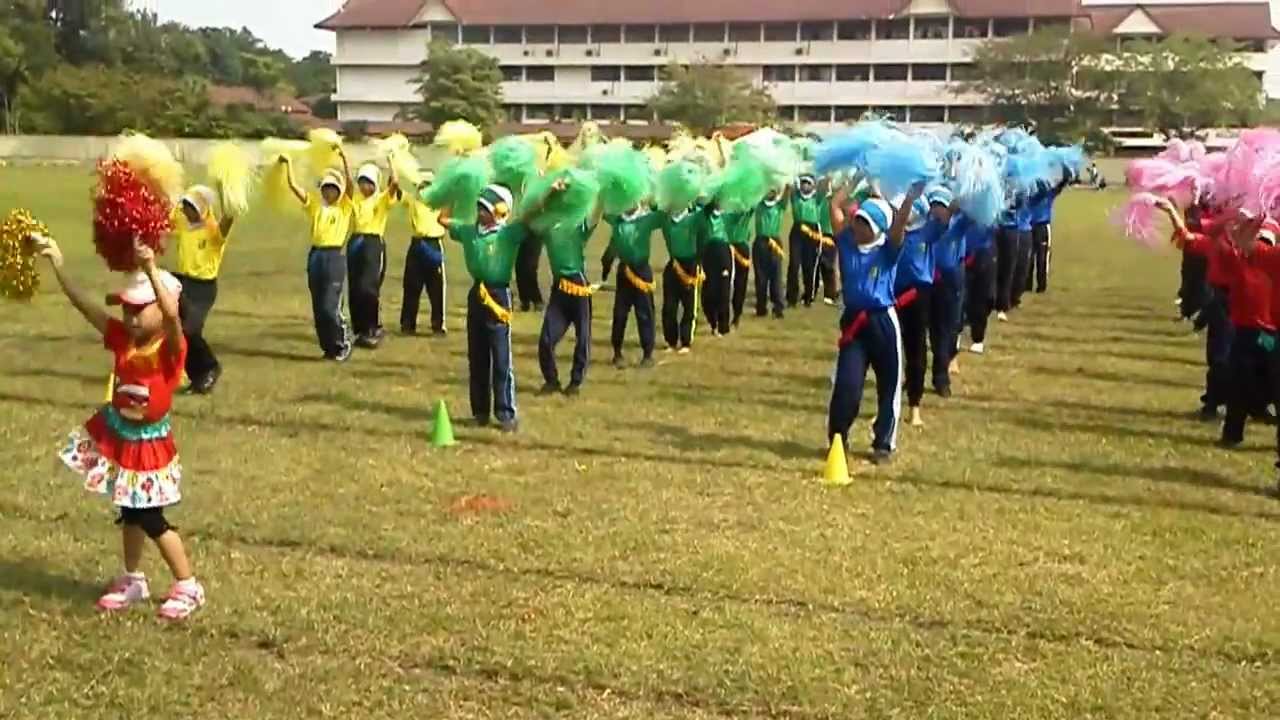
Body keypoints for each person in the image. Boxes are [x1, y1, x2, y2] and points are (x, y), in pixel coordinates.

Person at [34, 234, 205, 621]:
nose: (129, 317)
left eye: (138, 309)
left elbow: (173, 317)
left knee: (150, 516)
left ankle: (188, 585)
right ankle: (133, 578)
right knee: (128, 511)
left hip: (150, 446)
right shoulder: (122, 339)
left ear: (161, 309)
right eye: (126, 309)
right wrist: (58, 263)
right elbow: (85, 306)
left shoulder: (170, 348)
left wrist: (149, 268)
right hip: (122, 438)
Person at [447, 183, 560, 431]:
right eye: (479, 207)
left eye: (485, 207)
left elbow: (532, 216)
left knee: (500, 358)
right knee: (476, 357)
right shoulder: (469, 231)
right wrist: (452, 190)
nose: (480, 211)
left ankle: (506, 413)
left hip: (498, 296)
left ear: (499, 210)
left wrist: (550, 192)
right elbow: (443, 220)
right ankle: (479, 412)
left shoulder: (508, 234)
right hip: (476, 295)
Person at [827, 182, 924, 464]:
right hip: (854, 325)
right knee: (847, 383)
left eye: (864, 223)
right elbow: (835, 206)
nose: (856, 226)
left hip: (882, 323)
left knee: (889, 385)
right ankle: (838, 438)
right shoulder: (845, 242)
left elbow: (899, 227)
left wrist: (907, 199)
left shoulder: (888, 250)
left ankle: (883, 443)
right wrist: (855, 177)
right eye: (857, 220)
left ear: (878, 229)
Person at [1164, 201, 1275, 446]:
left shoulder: (1269, 261)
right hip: (1241, 327)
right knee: (1230, 371)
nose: (1262, 245)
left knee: (1262, 379)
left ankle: (1256, 410)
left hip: (1269, 333)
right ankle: (1226, 423)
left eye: (1267, 240)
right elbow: (1191, 237)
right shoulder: (1237, 257)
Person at [282, 155, 354, 362]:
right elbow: (294, 187)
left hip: (334, 257)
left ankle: (342, 343)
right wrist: (288, 165)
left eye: (333, 188)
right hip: (316, 257)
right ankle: (328, 348)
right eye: (326, 187)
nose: (329, 191)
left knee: (330, 306)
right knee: (318, 306)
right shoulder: (315, 206)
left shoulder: (345, 207)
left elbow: (350, 184)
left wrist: (343, 158)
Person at [169, 185, 235, 394]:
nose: (186, 211)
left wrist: (228, 191)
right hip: (182, 283)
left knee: (190, 330)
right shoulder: (184, 227)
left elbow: (229, 218)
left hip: (203, 287)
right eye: (185, 206)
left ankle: (210, 367)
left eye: (191, 207)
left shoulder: (213, 230)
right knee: (177, 331)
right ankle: (197, 376)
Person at [537, 199, 603, 397]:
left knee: (582, 337)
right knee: (546, 339)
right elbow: (531, 215)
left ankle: (575, 383)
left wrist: (601, 197)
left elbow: (594, 218)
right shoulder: (548, 227)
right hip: (559, 289)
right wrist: (550, 192)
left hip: (578, 287)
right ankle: (551, 381)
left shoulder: (578, 226)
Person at [894, 192, 942, 428]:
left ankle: (914, 406)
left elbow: (946, 216)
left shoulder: (929, 231)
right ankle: (889, 407)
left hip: (919, 295)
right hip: (892, 294)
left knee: (916, 350)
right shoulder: (893, 233)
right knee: (891, 351)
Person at [604, 205, 662, 368]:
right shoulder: (617, 220)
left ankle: (648, 354)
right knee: (620, 313)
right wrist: (607, 262)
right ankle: (617, 352)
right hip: (624, 272)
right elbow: (613, 243)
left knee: (645, 313)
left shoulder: (647, 218)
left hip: (642, 270)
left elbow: (665, 214)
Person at [348, 163, 398, 348]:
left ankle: (372, 327)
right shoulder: (356, 199)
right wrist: (344, 159)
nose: (364, 186)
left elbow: (394, 184)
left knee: (368, 287)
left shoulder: (382, 199)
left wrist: (392, 160)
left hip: (373, 244)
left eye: (368, 182)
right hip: (355, 243)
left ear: (375, 184)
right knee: (355, 288)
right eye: (361, 182)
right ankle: (359, 330)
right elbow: (347, 184)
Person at [926, 188, 965, 398]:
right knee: (926, 332)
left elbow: (975, 215)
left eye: (942, 206)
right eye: (934, 207)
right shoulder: (925, 227)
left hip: (950, 282)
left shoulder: (958, 225)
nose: (938, 211)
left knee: (945, 331)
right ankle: (915, 377)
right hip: (925, 283)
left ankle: (941, 378)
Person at [400, 171, 448, 336]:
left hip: (433, 244)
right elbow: (395, 189)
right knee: (411, 286)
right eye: (422, 186)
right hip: (417, 244)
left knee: (436, 288)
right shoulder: (413, 201)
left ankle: (438, 324)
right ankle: (408, 324)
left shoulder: (441, 203)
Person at [659, 203, 705, 354]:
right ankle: (671, 341)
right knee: (669, 307)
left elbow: (708, 211)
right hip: (673, 266)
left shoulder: (695, 218)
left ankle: (686, 341)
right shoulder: (666, 219)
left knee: (689, 307)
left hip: (690, 266)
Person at [1026, 173, 1070, 295]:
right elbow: (1062, 183)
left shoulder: (1039, 193)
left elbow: (1063, 183)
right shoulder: (1042, 194)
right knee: (1036, 257)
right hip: (1034, 227)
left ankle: (1035, 285)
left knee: (1037, 257)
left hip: (1037, 227)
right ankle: (1034, 285)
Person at [787, 174, 823, 307]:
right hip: (797, 231)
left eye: (808, 183)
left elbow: (824, 185)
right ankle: (791, 297)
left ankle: (809, 296)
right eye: (803, 183)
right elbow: (789, 185)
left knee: (809, 265)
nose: (805, 185)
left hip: (812, 232)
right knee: (794, 264)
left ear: (813, 185)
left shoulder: (816, 198)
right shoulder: (795, 197)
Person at [963, 217, 997, 355]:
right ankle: (956, 337)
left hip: (984, 252)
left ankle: (978, 338)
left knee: (982, 298)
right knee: (960, 298)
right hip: (960, 251)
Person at [700, 201, 734, 336]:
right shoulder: (704, 214)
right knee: (708, 292)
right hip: (708, 253)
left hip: (723, 252)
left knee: (724, 291)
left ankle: (723, 326)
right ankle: (712, 322)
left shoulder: (728, 215)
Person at [753, 189, 786, 319]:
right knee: (760, 277)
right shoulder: (759, 205)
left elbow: (787, 194)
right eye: (768, 190)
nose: (770, 193)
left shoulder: (779, 205)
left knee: (776, 276)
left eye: (773, 191)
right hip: (761, 242)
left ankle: (778, 308)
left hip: (775, 243)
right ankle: (761, 308)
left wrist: (787, 181)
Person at [727, 207, 754, 327]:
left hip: (741, 247)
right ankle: (723, 315)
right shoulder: (724, 206)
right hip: (724, 247)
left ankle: (737, 314)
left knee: (740, 283)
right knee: (725, 284)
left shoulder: (746, 206)